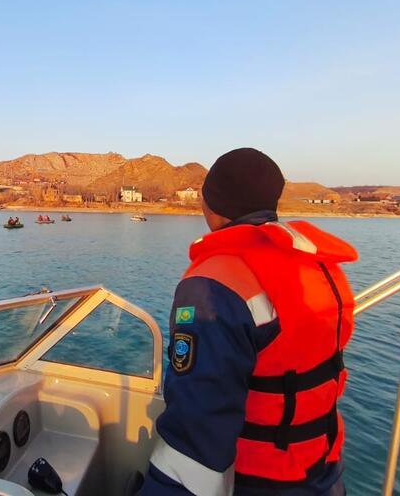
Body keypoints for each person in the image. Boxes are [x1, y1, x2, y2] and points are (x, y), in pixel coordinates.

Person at [141, 148, 357, 496]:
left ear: (209, 204)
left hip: (258, 480)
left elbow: (197, 426)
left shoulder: (213, 285)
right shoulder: (320, 266)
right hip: (324, 471)